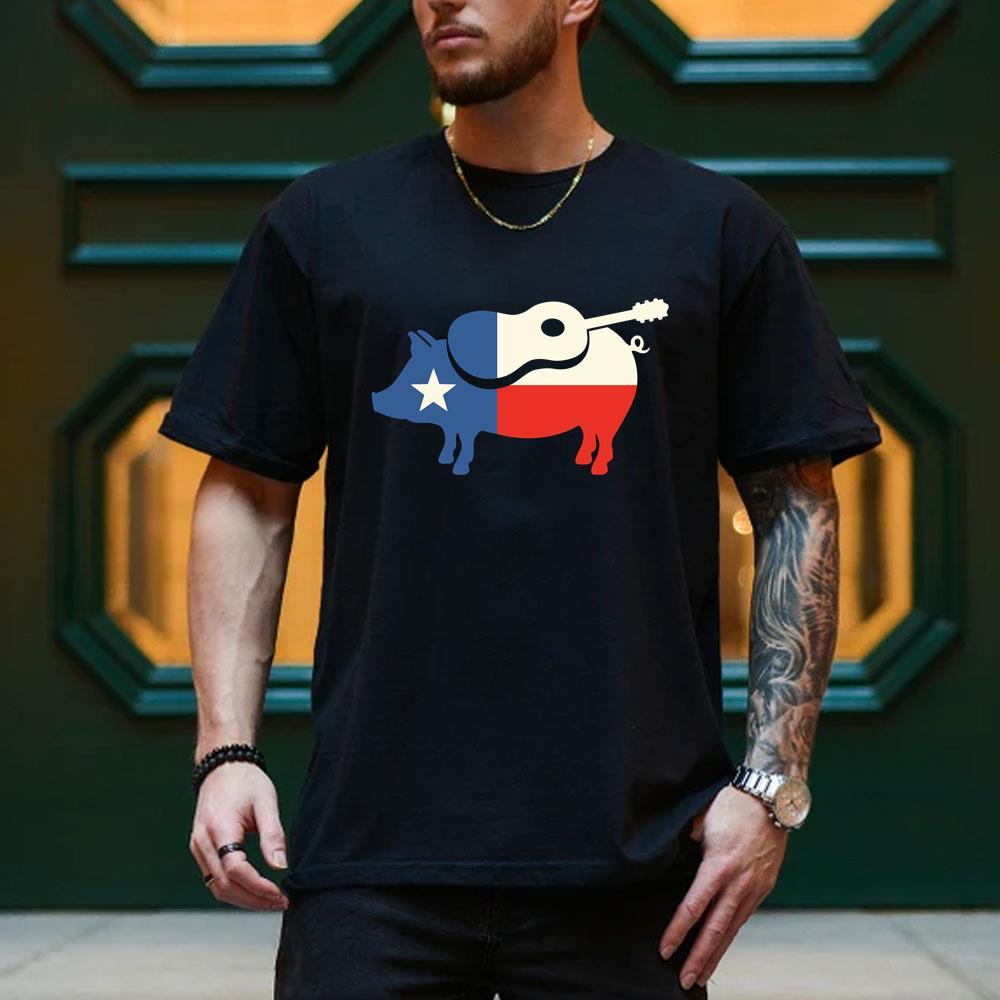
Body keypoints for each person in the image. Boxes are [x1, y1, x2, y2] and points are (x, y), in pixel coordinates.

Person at [159, 0, 883, 996]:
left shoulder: (717, 229)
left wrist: (770, 786)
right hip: (373, 851)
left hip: (634, 853)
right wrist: (225, 749)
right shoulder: (324, 223)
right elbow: (247, 491)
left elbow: (795, 505)